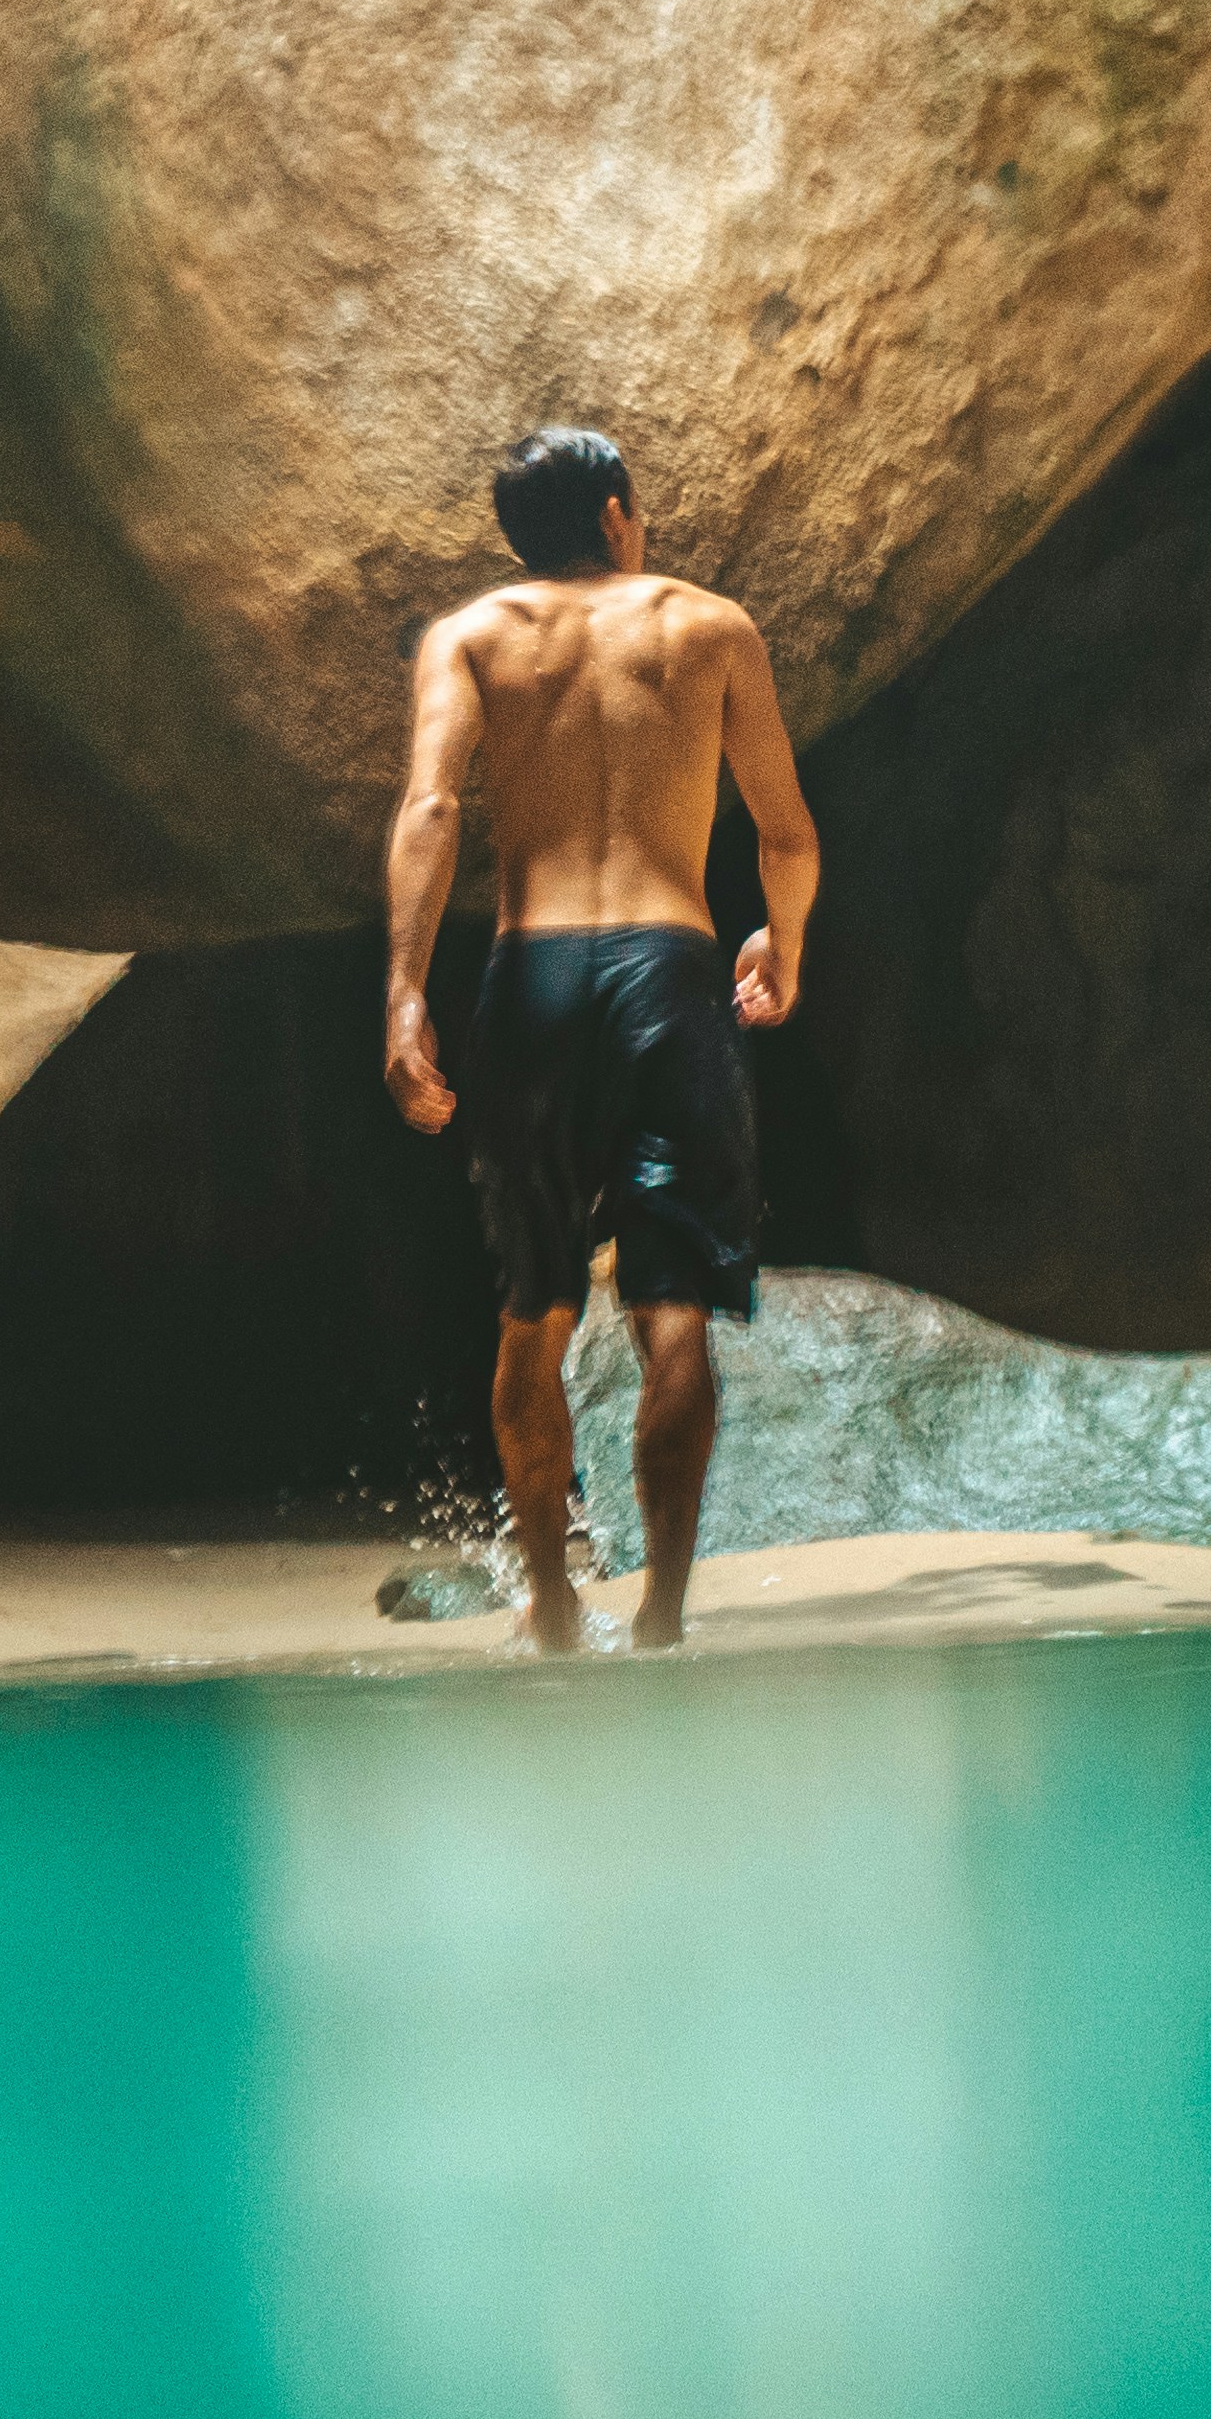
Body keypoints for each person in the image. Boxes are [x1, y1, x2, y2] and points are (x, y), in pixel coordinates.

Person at [382, 427, 820, 1651]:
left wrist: (405, 992)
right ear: (622, 513)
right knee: (670, 1312)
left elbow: (430, 808)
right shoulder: (711, 627)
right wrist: (779, 942)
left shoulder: (469, 637)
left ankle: (556, 1607)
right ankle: (665, 1616)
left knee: (536, 1306)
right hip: (671, 974)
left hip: (533, 979)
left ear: (520, 536)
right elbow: (785, 832)